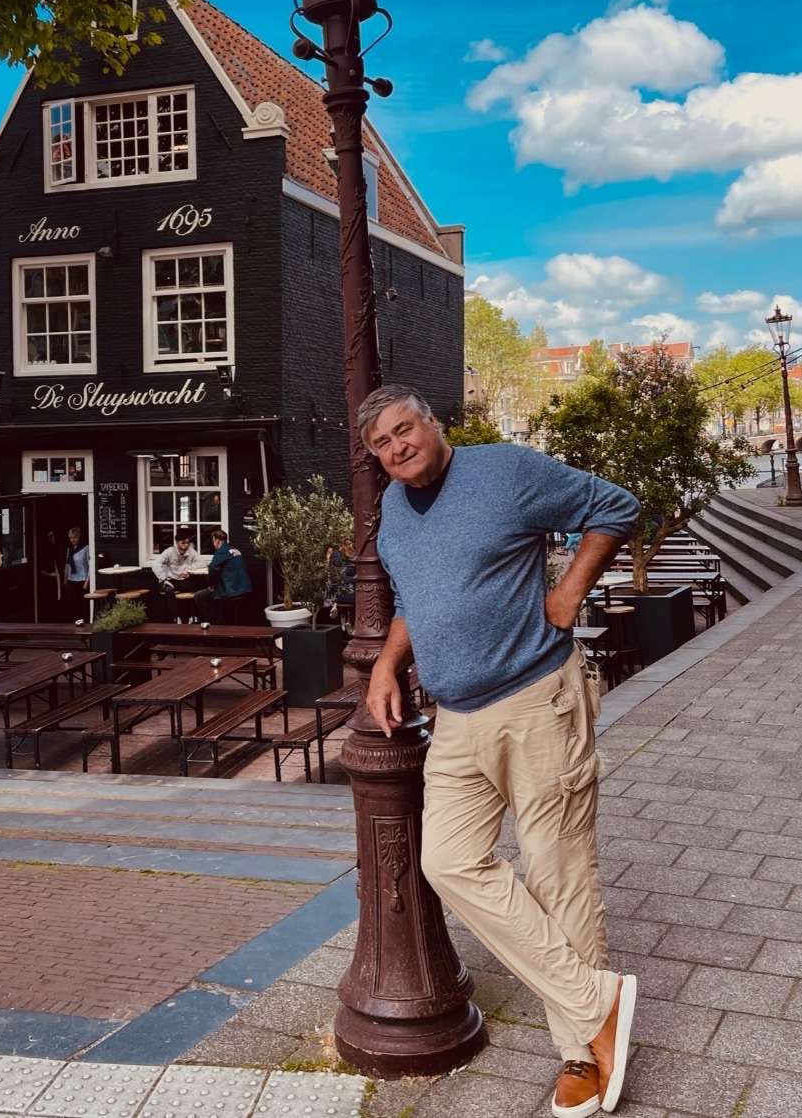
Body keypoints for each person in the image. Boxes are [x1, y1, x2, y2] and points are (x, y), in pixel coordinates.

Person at [361, 385, 641, 1118]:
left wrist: (569, 590)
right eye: (381, 446)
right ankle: (596, 1001)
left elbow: (616, 505)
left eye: (403, 430)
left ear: (432, 422)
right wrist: (387, 665)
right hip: (456, 716)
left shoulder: (506, 471)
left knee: (557, 874)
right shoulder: (395, 508)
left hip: (537, 699)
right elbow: (415, 600)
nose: (397, 449)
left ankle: (582, 1051)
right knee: (447, 860)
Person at [150, 527, 210, 620]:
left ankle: (194, 616)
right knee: (168, 591)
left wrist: (188, 570)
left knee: (200, 587)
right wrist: (163, 578)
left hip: (183, 580)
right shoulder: (169, 551)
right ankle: (175, 617)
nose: (186, 545)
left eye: (187, 543)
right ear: (177, 542)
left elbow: (202, 563)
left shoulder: (191, 551)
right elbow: (155, 564)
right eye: (183, 543)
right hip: (170, 580)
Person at [197, 529, 252, 624]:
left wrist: (211, 585)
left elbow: (212, 568)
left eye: (213, 541)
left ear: (217, 541)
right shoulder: (235, 550)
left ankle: (212, 622)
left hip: (230, 590)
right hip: (244, 589)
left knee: (198, 596)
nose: (213, 544)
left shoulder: (221, 552)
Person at [326, 536, 356, 628]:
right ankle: (349, 621)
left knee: (338, 588)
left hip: (336, 595)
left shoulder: (335, 556)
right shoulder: (354, 558)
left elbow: (330, 572)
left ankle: (335, 607)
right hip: (352, 596)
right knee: (352, 594)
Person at [61, 527, 90, 621]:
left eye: (75, 537)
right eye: (70, 538)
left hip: (82, 580)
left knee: (83, 604)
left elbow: (90, 566)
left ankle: (84, 622)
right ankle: (75, 622)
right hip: (71, 579)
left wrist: (87, 581)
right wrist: (65, 579)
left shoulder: (86, 548)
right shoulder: (69, 549)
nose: (72, 540)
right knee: (73, 603)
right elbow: (67, 564)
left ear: (79, 537)